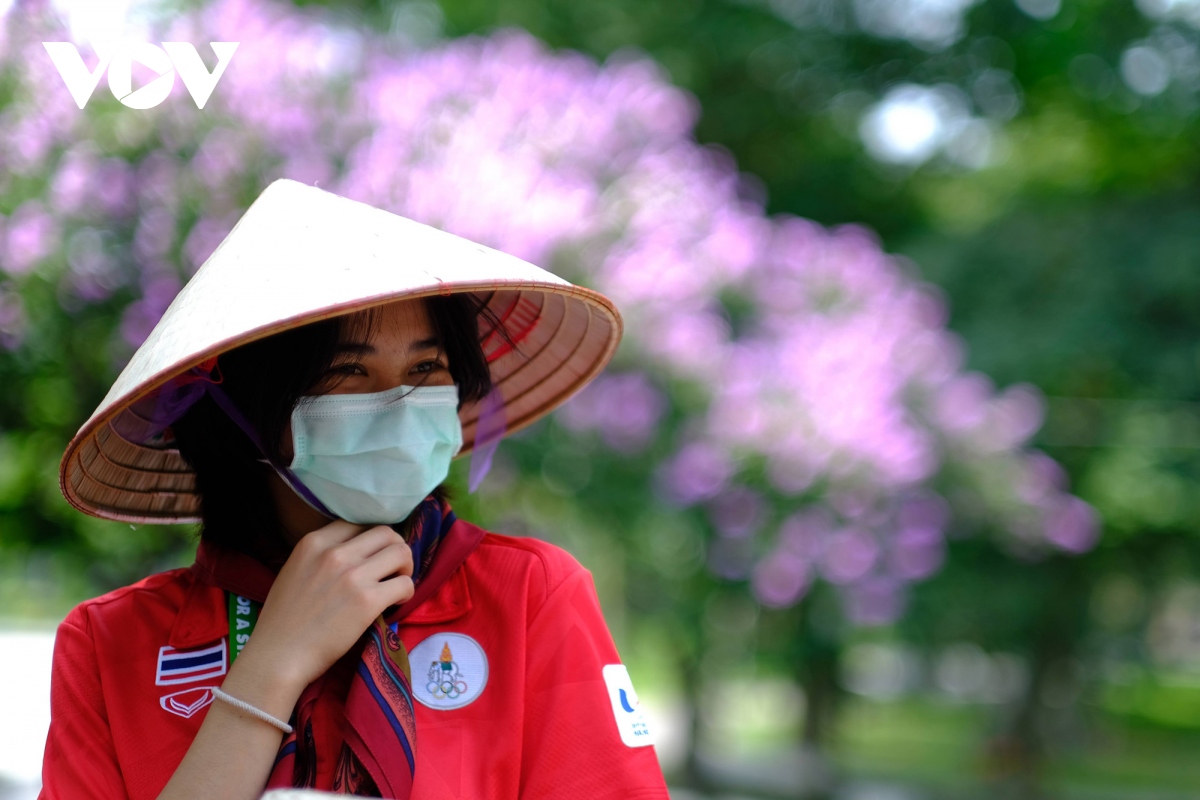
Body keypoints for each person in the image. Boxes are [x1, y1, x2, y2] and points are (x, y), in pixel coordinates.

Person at [41, 180, 668, 799]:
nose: (398, 405)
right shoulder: (110, 645)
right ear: (243, 418)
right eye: (348, 372)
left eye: (426, 369)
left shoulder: (528, 599)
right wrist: (271, 667)